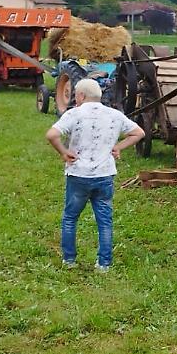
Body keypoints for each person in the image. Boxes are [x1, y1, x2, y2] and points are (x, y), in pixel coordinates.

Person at [46, 78, 144, 272]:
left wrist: (63, 152)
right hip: (104, 174)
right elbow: (138, 133)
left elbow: (52, 135)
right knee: (104, 221)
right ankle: (103, 263)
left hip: (78, 175)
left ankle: (69, 260)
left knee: (70, 218)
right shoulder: (115, 115)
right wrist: (119, 147)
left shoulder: (74, 114)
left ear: (82, 95)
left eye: (76, 95)